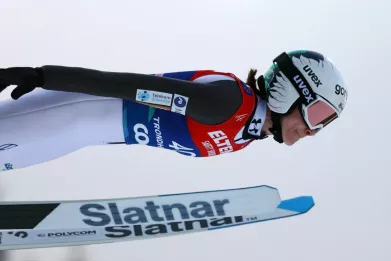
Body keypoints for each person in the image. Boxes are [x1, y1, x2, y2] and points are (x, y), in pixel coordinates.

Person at [0, 49, 348, 172]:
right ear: (292, 90)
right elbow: (125, 86)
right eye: (316, 116)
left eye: (324, 126)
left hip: (72, 136)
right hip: (67, 115)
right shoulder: (230, 104)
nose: (312, 131)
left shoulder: (246, 132)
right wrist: (42, 76)